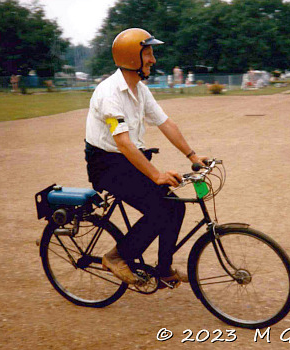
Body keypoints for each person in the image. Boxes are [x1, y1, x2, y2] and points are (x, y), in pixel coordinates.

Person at [85, 28, 206, 287]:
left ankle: (163, 270)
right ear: (132, 58)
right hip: (107, 164)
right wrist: (156, 174)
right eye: (148, 54)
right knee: (161, 210)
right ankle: (117, 257)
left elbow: (165, 123)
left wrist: (193, 155)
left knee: (176, 206)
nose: (153, 60)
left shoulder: (140, 89)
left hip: (128, 159)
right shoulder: (108, 94)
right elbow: (123, 143)